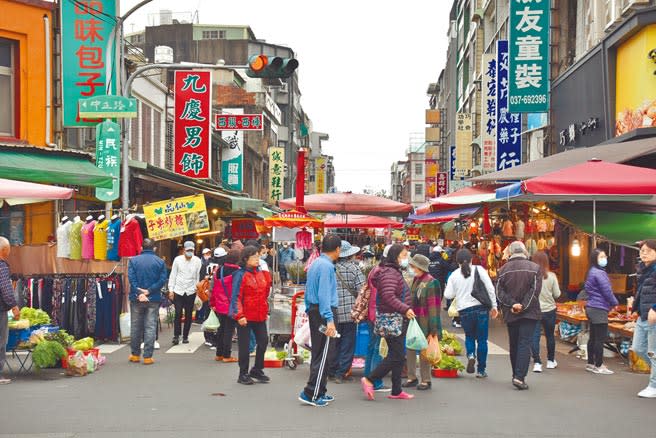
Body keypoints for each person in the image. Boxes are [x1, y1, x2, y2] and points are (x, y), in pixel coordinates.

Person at [361, 243, 416, 401]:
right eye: (404, 255)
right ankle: (370, 379)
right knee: (397, 355)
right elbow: (388, 295)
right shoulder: (390, 273)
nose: (406, 259)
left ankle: (396, 390)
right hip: (394, 318)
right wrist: (405, 308)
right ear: (395, 256)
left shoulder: (392, 271)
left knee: (397, 354)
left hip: (396, 317)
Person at [299, 234, 342, 407]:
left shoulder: (316, 263)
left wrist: (311, 310)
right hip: (325, 312)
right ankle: (312, 393)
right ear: (337, 249)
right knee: (324, 353)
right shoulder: (326, 266)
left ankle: (319, 390)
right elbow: (324, 294)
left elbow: (309, 291)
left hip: (316, 311)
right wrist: (330, 319)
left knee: (319, 352)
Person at [443, 249, 497, 378]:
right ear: (472, 259)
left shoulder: (454, 275)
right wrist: (494, 306)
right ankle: (481, 370)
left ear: (457, 261)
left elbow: (448, 294)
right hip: (481, 308)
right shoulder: (479, 270)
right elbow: (490, 288)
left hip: (464, 310)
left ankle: (471, 355)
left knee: (469, 336)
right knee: (482, 340)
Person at [496, 241, 542, 390]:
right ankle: (519, 377)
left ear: (510, 253)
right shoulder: (535, 268)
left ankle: (515, 374)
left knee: (514, 343)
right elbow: (534, 292)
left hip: (511, 312)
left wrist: (512, 304)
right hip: (529, 312)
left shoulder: (502, 270)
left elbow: (499, 293)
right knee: (524, 343)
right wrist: (523, 306)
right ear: (524, 251)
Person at [230, 246, 272, 385]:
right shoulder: (240, 274)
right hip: (245, 317)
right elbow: (236, 297)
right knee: (245, 346)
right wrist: (240, 315)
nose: (257, 259)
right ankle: (243, 373)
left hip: (260, 315)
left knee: (263, 341)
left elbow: (265, 291)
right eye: (254, 257)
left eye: (258, 256)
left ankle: (257, 369)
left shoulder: (260, 273)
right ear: (246, 259)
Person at [402, 254, 443, 390]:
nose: (411, 269)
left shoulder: (432, 282)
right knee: (410, 348)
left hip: (425, 321)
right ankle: (411, 377)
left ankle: (426, 379)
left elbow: (434, 307)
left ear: (420, 267)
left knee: (425, 350)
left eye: (413, 266)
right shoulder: (416, 279)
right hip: (414, 319)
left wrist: (434, 329)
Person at [328, 241, 366, 383]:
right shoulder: (354, 269)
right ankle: (341, 372)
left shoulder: (330, 268)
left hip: (333, 312)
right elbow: (362, 290)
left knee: (334, 342)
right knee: (347, 343)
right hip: (350, 313)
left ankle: (332, 370)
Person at [127, 239, 168, 365]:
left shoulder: (133, 260)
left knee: (135, 327)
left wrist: (139, 293)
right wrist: (149, 291)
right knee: (150, 327)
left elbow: (131, 278)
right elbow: (162, 280)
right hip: (153, 298)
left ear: (141, 247)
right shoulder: (160, 262)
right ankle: (147, 356)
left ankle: (135, 355)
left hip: (136, 297)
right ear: (154, 248)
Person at [584, 248, 618, 375]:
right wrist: (615, 303)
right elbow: (607, 291)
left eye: (605, 256)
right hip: (599, 308)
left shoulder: (591, 272)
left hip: (591, 307)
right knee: (599, 339)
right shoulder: (599, 273)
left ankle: (590, 363)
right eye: (601, 257)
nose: (605, 259)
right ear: (595, 259)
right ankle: (599, 365)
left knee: (593, 337)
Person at [363, 245, 392, 393]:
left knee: (372, 346)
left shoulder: (375, 270)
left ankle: (368, 376)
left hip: (372, 313)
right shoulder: (383, 272)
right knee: (378, 348)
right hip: (379, 314)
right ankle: (375, 381)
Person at [632, 240, 656, 398]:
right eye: (642, 251)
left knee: (653, 352)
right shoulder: (643, 269)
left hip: (653, 315)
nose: (643, 253)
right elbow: (641, 292)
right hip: (642, 315)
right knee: (638, 348)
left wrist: (655, 308)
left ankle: (654, 386)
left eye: (647, 250)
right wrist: (635, 308)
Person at [531, 251, 561, 373]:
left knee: (535, 337)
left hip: (535, 310)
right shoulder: (552, 276)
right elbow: (557, 294)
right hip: (549, 310)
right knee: (550, 336)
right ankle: (550, 361)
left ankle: (537, 363)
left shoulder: (532, 276)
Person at [168, 241, 202, 345]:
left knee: (188, 314)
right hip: (178, 290)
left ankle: (186, 336)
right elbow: (173, 275)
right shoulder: (177, 260)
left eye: (192, 250)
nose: (190, 252)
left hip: (191, 290)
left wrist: (198, 291)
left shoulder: (197, 261)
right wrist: (171, 290)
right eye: (188, 250)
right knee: (178, 313)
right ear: (184, 250)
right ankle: (176, 336)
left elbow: (197, 276)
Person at [211, 249, 239, 362]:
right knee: (229, 330)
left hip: (219, 303)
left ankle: (219, 354)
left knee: (221, 329)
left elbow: (213, 288)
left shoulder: (219, 270)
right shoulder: (237, 272)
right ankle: (227, 355)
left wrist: (212, 303)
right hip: (231, 304)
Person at [0, 236, 20, 384]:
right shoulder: (2, 265)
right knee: (1, 341)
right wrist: (14, 306)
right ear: (4, 250)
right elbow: (5, 288)